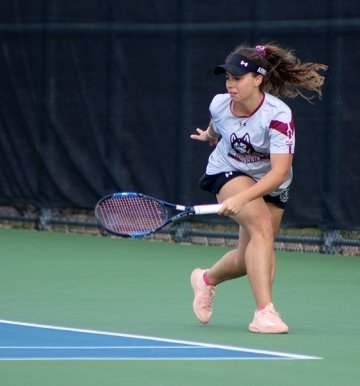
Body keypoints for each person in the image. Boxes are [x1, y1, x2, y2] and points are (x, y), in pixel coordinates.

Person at [190, 43, 327, 334]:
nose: (230, 84)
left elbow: (278, 172)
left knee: (245, 259)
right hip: (228, 170)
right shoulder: (218, 103)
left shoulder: (278, 116)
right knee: (262, 227)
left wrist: (244, 197)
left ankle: (205, 280)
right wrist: (209, 136)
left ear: (257, 79)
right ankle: (265, 313)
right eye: (227, 78)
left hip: (272, 182)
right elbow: (219, 124)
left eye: (237, 78)